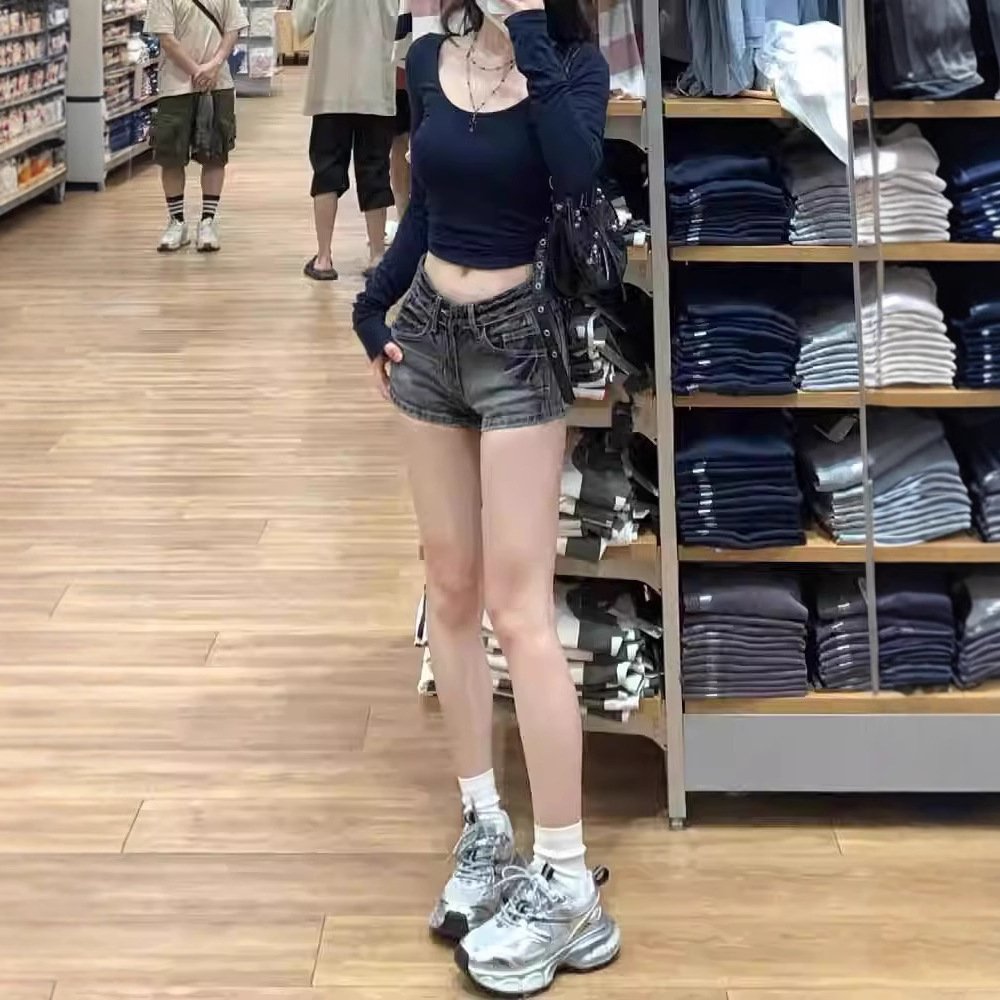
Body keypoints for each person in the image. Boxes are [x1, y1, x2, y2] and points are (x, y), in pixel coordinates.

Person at [353, 0, 616, 994]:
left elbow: (575, 173)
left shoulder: (573, 66)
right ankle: (485, 827)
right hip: (426, 338)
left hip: (518, 345)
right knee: (451, 592)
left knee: (521, 610)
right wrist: (371, 301)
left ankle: (566, 879)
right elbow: (424, 203)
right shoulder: (428, 57)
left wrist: (530, 29)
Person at [294, 0, 398, 281]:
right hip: (375, 87)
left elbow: (300, 24)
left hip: (330, 88)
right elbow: (400, 24)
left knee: (326, 169)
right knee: (375, 169)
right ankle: (377, 256)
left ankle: (324, 258)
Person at [145, 0, 247, 253]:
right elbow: (166, 39)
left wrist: (214, 65)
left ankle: (208, 221)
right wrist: (198, 71)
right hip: (175, 85)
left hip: (218, 83)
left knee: (215, 153)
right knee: (171, 155)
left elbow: (233, 29)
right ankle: (177, 221)